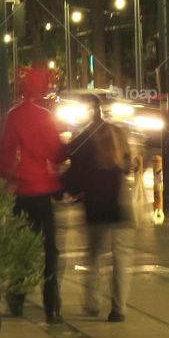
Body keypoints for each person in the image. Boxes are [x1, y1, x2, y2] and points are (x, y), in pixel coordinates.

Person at [0, 63, 65, 323]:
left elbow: (4, 155)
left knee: (22, 246)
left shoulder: (13, 116)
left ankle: (18, 297)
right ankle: (51, 304)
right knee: (50, 250)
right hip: (43, 190)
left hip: (21, 191)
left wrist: (1, 180)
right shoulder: (45, 116)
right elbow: (56, 151)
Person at [64, 96, 134, 322]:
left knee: (94, 256)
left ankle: (92, 303)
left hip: (95, 205)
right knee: (121, 258)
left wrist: (64, 189)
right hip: (120, 203)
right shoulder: (116, 133)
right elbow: (127, 165)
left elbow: (72, 169)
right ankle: (119, 308)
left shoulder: (84, 139)